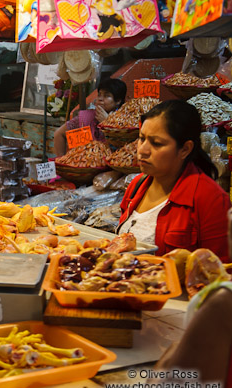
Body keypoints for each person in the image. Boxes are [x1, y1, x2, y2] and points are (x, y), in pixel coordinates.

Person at [117, 100, 230, 261]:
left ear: (185, 149)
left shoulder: (210, 199)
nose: (142, 150)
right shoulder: (136, 186)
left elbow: (222, 273)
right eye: (142, 138)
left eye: (156, 143)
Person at [53, 78, 127, 157]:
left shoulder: (126, 120)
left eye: (106, 96)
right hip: (86, 164)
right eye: (99, 95)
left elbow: (125, 146)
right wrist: (61, 159)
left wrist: (107, 123)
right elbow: (59, 134)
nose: (100, 99)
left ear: (118, 101)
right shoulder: (87, 117)